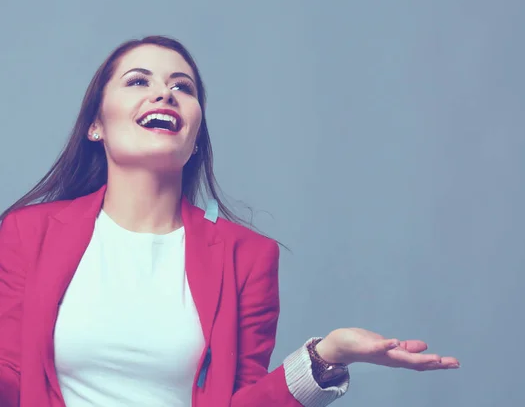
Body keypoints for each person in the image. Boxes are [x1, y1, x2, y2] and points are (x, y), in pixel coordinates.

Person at [0, 35, 459, 407]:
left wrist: (324, 358)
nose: (164, 92)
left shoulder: (250, 257)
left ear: (196, 135)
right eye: (138, 81)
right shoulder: (27, 233)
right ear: (95, 125)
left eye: (183, 87)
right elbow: (11, 379)